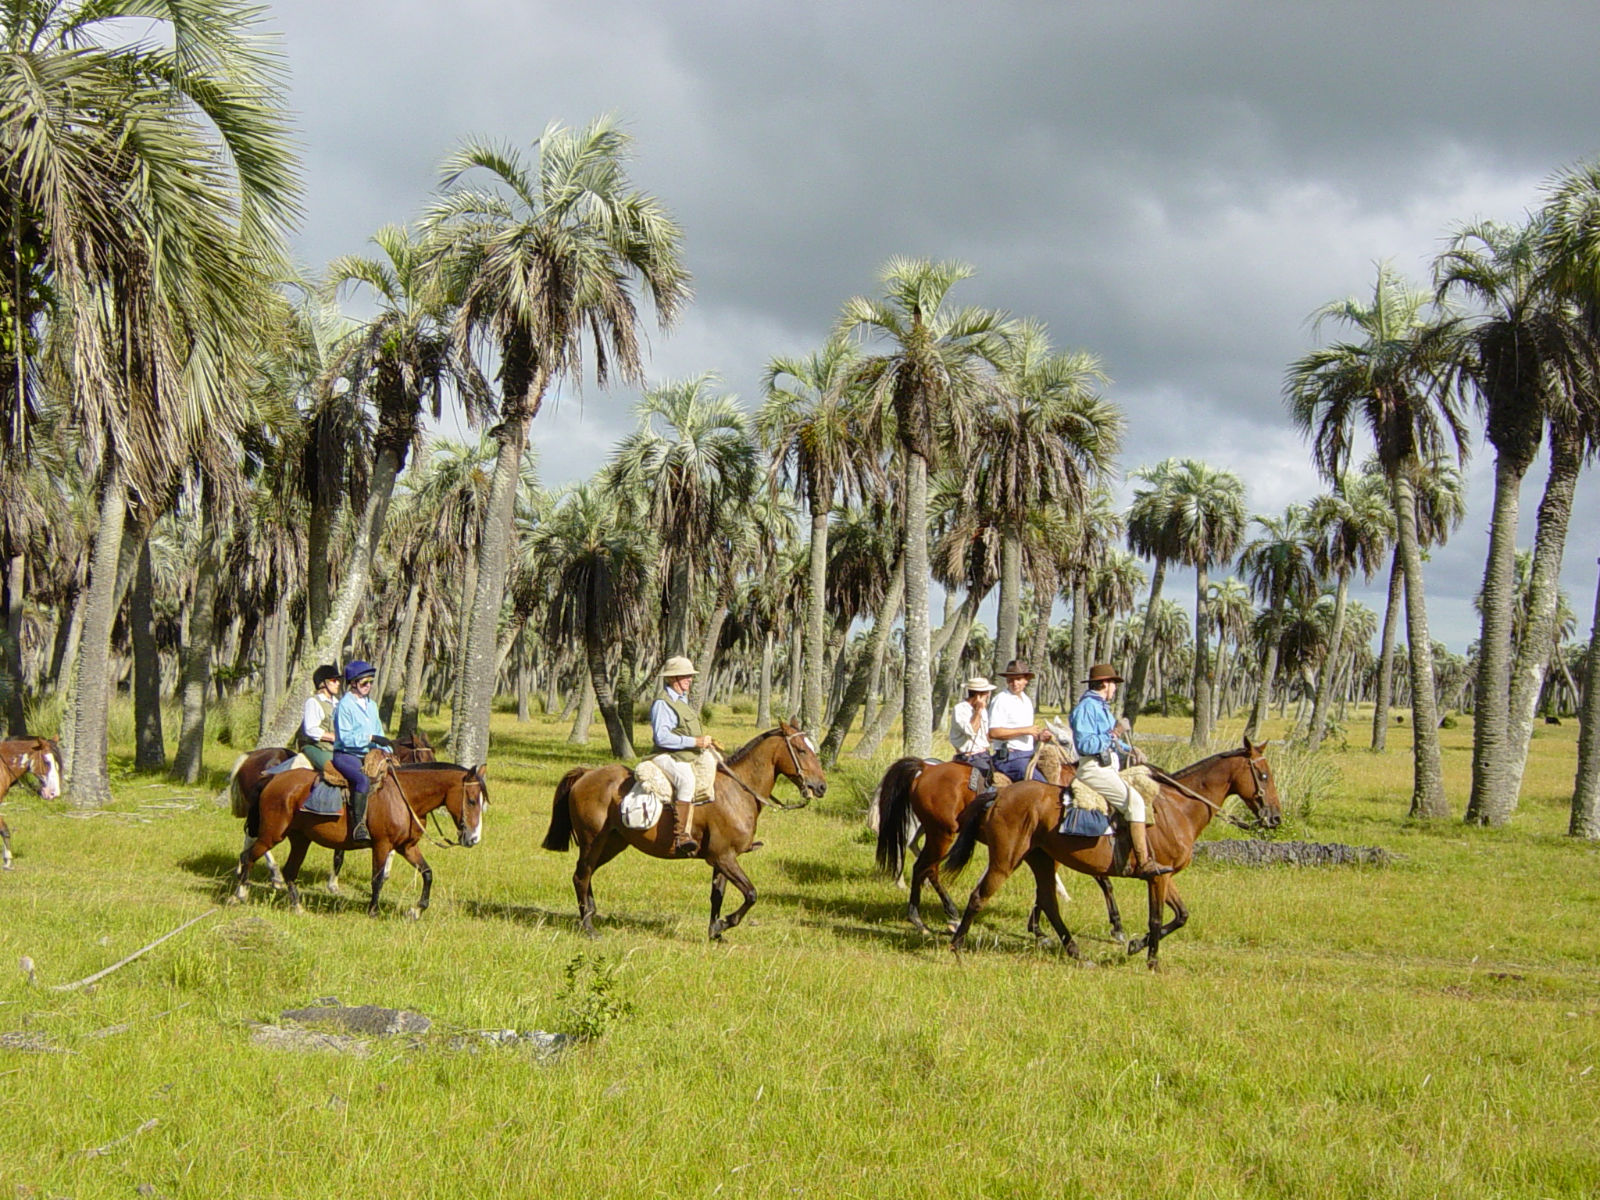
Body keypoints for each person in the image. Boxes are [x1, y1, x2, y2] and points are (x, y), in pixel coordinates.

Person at [1070, 663, 1171, 877]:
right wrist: (1115, 732)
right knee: (1135, 802)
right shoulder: (1087, 708)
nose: (1115, 688)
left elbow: (1111, 741)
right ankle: (1143, 862)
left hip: (1108, 767)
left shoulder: (1101, 707)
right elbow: (1086, 745)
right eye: (1114, 683)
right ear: (1105, 684)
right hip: (1093, 768)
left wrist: (1130, 751)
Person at [648, 655, 715, 856]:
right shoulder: (663, 703)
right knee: (686, 780)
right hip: (665, 755)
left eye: (689, 676)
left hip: (684, 754)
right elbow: (662, 738)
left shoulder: (682, 700)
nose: (689, 680)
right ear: (672, 679)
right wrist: (695, 742)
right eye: (685, 676)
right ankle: (681, 836)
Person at [332, 660, 390, 843]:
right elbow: (345, 737)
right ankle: (359, 826)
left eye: (371, 682)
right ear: (353, 683)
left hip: (369, 754)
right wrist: (370, 738)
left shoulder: (371, 705)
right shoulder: (344, 706)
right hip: (346, 754)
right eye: (365, 683)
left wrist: (388, 751)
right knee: (362, 779)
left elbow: (379, 733)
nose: (369, 686)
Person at [988, 660, 1053, 784]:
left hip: (1028, 753)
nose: (1014, 683)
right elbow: (994, 732)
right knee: (1041, 785)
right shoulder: (1001, 700)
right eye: (1010, 679)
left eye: (1018, 679)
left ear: (1026, 680)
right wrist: (1025, 730)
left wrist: (1039, 736)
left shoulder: (1027, 701)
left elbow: (1028, 734)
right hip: (1009, 758)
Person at [948, 676, 996, 782]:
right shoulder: (961, 709)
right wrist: (978, 710)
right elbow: (971, 730)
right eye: (986, 693)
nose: (988, 695)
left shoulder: (983, 710)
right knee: (990, 785)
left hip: (984, 754)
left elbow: (985, 735)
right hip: (969, 757)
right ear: (979, 695)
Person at [298, 664, 341, 772]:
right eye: (334, 680)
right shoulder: (313, 702)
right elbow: (311, 729)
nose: (338, 683)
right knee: (335, 770)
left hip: (334, 748)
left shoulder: (337, 703)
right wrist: (333, 737)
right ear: (323, 683)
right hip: (315, 747)